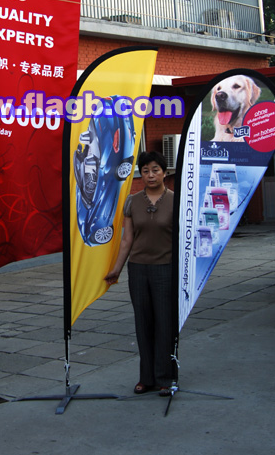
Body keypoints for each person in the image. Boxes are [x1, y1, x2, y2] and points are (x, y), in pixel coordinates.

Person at [105, 151, 175, 397]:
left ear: (164, 172)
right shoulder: (132, 202)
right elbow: (127, 240)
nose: (150, 175)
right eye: (145, 170)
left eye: (155, 169)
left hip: (165, 269)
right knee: (143, 323)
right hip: (138, 270)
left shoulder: (177, 201)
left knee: (165, 323)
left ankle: (166, 377)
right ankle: (146, 378)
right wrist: (116, 269)